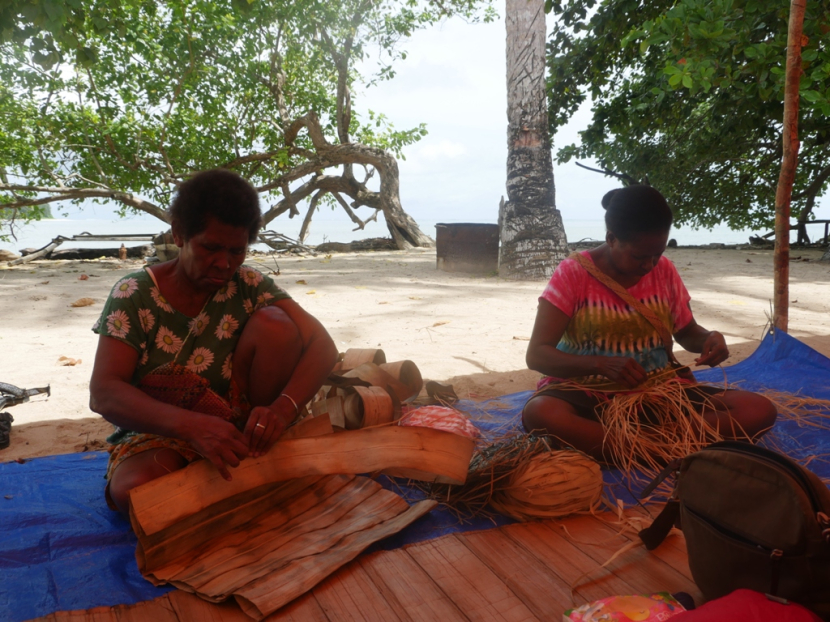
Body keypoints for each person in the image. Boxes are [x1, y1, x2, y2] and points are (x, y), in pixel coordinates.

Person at [89, 169, 338, 515]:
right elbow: (104, 393)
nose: (224, 264)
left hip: (244, 427)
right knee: (134, 493)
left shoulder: (248, 283)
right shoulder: (134, 294)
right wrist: (192, 427)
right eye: (210, 247)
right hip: (165, 431)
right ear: (179, 234)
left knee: (278, 325)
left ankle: (255, 451)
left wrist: (281, 410)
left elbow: (323, 346)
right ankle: (245, 474)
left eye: (238, 251)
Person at [523, 185, 777, 463]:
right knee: (541, 413)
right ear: (611, 238)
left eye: (658, 253)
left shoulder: (663, 269)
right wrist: (598, 364)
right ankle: (668, 446)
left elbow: (686, 331)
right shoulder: (573, 274)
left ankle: (634, 447)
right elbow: (538, 354)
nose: (650, 265)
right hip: (588, 395)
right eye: (639, 256)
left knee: (757, 409)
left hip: (659, 391)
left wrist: (708, 338)